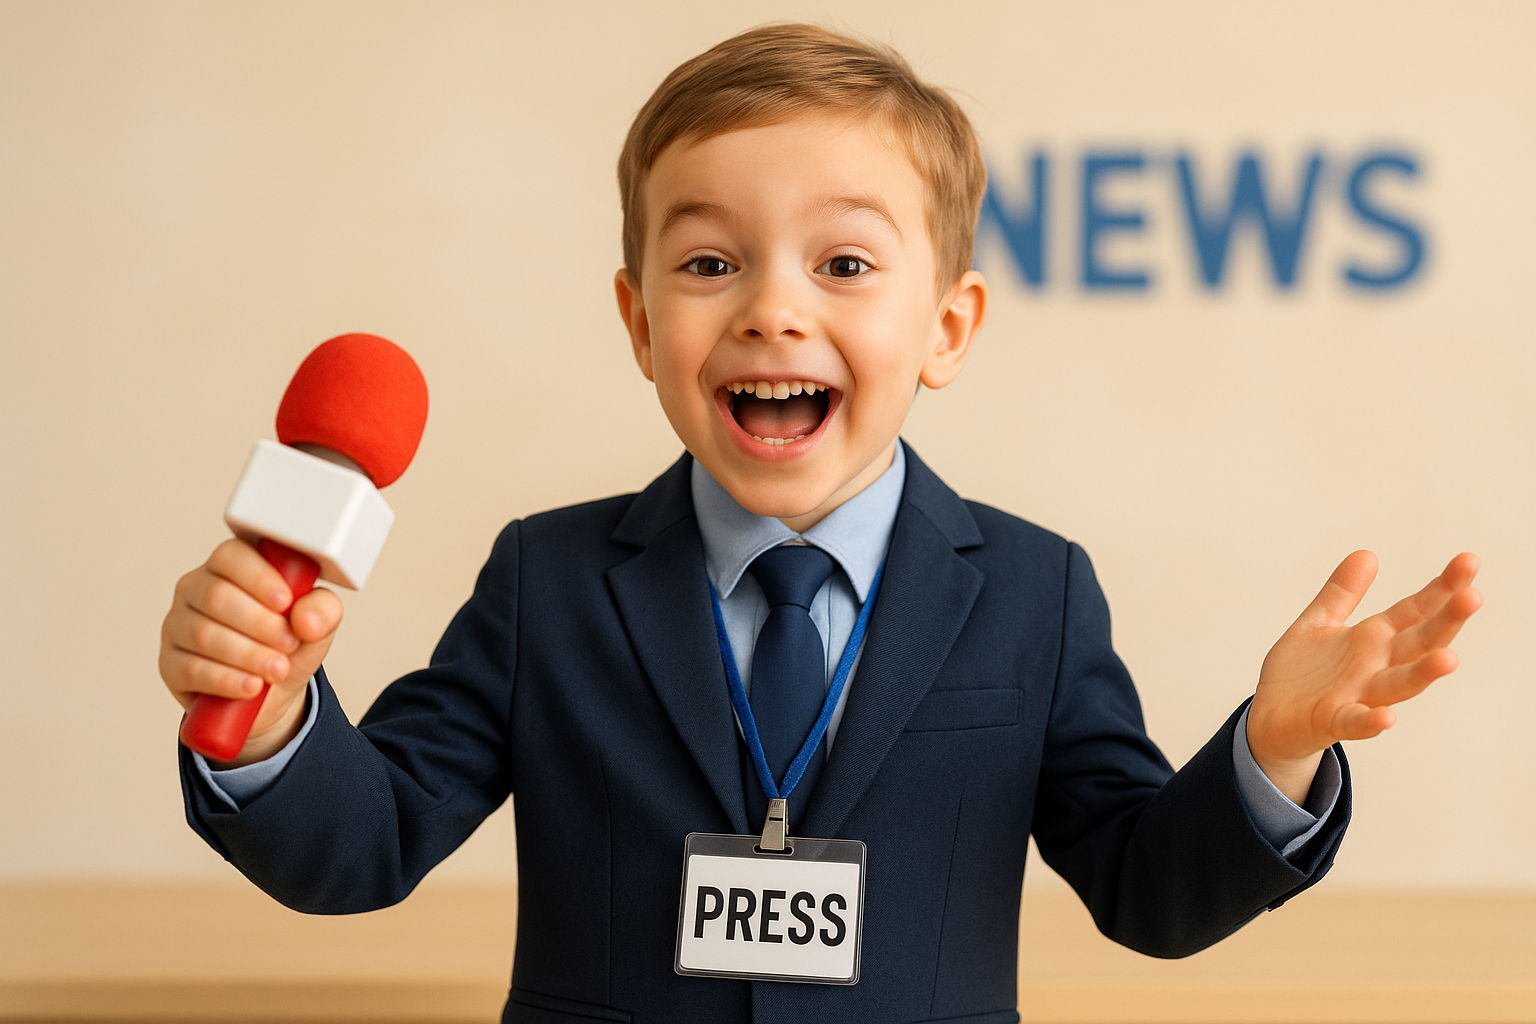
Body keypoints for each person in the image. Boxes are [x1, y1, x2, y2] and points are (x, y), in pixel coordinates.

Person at [157, 24, 1482, 1023]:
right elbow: (367, 843)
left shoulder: (1034, 591)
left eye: (844, 263)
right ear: (638, 323)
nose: (771, 310)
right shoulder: (544, 584)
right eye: (709, 262)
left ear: (948, 325)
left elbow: (1150, 890)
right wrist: (270, 722)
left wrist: (1277, 748)